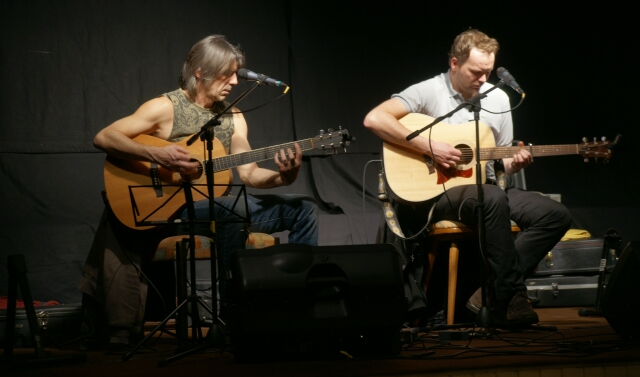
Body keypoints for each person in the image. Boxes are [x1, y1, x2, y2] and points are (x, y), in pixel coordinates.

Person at [79, 34, 318, 348]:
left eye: (237, 74)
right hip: (171, 210)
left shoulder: (234, 117)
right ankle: (232, 316)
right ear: (200, 72)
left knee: (304, 209)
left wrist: (283, 178)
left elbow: (250, 173)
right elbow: (104, 137)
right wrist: (158, 154)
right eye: (227, 74)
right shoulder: (165, 107)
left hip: (213, 207)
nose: (235, 82)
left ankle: (300, 310)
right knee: (234, 209)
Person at [363, 29, 572, 327]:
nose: (483, 79)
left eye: (488, 72)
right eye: (476, 72)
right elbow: (374, 119)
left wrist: (516, 162)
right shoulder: (429, 90)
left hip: (486, 189)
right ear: (454, 64)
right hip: (439, 192)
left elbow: (501, 163)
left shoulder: (498, 99)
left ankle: (487, 292)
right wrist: (429, 147)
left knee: (555, 215)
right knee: (492, 197)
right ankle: (509, 296)